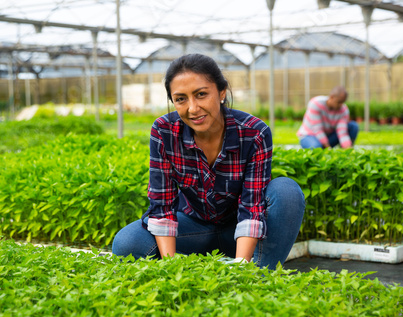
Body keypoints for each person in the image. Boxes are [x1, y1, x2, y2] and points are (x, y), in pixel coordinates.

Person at [112, 54, 305, 270]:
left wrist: (241, 271)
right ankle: (191, 267)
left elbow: (252, 205)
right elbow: (162, 203)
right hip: (193, 228)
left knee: (287, 193)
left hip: (240, 233)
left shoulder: (254, 132)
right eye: (181, 99)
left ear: (221, 92)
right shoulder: (164, 131)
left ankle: (257, 275)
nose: (193, 108)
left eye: (201, 94)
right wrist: (171, 269)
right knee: (127, 243)